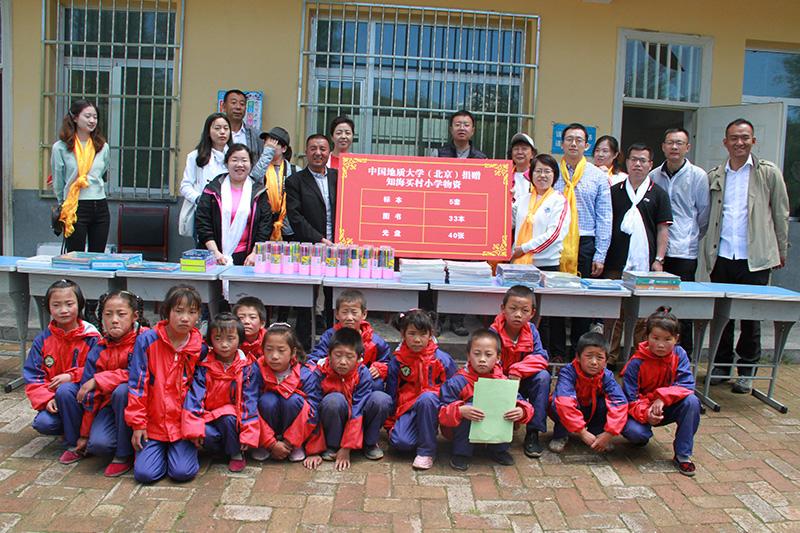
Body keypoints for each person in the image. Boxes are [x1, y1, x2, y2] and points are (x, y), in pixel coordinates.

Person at [703, 118, 790, 394]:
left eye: (745, 137)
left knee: (751, 316)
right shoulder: (716, 174)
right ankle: (720, 366)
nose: (739, 142)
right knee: (722, 315)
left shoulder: (768, 173)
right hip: (723, 255)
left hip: (754, 258)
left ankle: (747, 371)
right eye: (734, 138)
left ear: (753, 141)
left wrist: (781, 249)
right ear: (725, 142)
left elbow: (781, 213)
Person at [126, 284, 208, 483]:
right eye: (178, 311)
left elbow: (199, 392)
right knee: (145, 475)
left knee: (183, 473)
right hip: (152, 424)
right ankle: (156, 453)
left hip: (182, 426)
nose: (185, 318)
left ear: (199, 317)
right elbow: (137, 385)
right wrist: (138, 424)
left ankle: (174, 453)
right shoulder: (147, 341)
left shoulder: (200, 349)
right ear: (166, 312)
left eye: (192, 312)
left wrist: (194, 426)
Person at [606, 143, 672, 366]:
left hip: (645, 265)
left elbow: (663, 229)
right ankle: (611, 357)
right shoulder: (615, 191)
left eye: (643, 160)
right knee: (614, 313)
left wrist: (659, 260)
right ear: (627, 162)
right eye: (634, 159)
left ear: (650, 165)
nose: (638, 164)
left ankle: (638, 358)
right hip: (616, 262)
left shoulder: (659, 194)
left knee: (643, 316)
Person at [550, 123, 611, 361]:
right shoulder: (552, 171)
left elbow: (605, 217)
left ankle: (579, 352)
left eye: (579, 140)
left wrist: (600, 254)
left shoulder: (597, 176)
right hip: (556, 243)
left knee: (581, 300)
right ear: (561, 144)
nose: (573, 144)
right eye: (569, 139)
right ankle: (555, 352)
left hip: (585, 243)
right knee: (555, 299)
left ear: (587, 146)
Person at [649, 127, 711, 358]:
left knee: (683, 306)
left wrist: (691, 236)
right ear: (664, 147)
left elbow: (703, 214)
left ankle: (685, 356)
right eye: (670, 143)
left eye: (679, 143)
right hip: (659, 253)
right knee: (658, 306)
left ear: (688, 147)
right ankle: (658, 355)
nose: (674, 147)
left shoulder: (698, 176)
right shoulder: (654, 175)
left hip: (685, 251)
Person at [23, 280, 100, 464]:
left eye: (69, 304)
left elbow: (100, 369)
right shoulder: (43, 340)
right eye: (56, 305)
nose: (63, 310)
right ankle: (71, 431)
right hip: (58, 401)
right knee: (44, 423)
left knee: (65, 390)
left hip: (89, 401)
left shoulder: (92, 337)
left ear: (80, 304)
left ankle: (76, 442)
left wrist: (71, 376)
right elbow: (33, 375)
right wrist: (47, 398)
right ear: (48, 307)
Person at [74, 290, 149, 477]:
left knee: (123, 391)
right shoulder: (99, 347)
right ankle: (121, 441)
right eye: (108, 314)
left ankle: (123, 455)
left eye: (121, 314)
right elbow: (90, 396)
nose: (114, 320)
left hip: (144, 404)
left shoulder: (146, 339)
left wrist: (99, 379)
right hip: (110, 406)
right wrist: (84, 434)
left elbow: (138, 374)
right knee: (98, 445)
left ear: (135, 316)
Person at [621, 307, 701, 476]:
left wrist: (662, 399)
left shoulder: (680, 355)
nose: (661, 344)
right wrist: (646, 413)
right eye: (655, 338)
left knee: (692, 402)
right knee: (635, 433)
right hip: (642, 409)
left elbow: (686, 385)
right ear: (646, 337)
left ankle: (682, 454)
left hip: (667, 406)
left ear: (676, 339)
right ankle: (643, 436)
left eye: (667, 339)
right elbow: (629, 398)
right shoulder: (636, 362)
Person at [439, 329, 533, 471]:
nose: (482, 359)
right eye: (477, 354)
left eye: (488, 355)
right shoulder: (458, 382)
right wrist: (459, 411)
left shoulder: (503, 381)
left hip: (493, 432)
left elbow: (523, 403)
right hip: (462, 432)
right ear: (468, 356)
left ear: (498, 358)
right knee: (470, 407)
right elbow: (441, 412)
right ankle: (461, 453)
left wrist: (521, 411)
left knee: (505, 406)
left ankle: (498, 449)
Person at [304, 328, 392, 470]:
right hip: (332, 420)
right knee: (334, 400)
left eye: (350, 357)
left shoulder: (363, 374)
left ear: (359, 358)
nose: (343, 362)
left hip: (357, 421)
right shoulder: (318, 373)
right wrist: (313, 450)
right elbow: (311, 410)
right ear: (328, 354)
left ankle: (369, 443)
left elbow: (357, 411)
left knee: (381, 399)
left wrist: (347, 448)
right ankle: (332, 445)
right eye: (338, 355)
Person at [182, 313, 261, 472]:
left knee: (228, 418)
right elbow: (195, 398)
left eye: (230, 339)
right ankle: (217, 448)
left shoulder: (247, 367)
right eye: (218, 339)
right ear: (210, 339)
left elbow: (249, 402)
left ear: (240, 339)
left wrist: (248, 434)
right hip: (209, 416)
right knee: (205, 433)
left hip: (234, 419)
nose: (224, 344)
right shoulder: (203, 367)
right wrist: (194, 428)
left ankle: (235, 452)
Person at [433, 110, 486, 335]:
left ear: (473, 130)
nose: (462, 128)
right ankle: (437, 318)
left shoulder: (482, 159)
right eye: (457, 124)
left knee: (461, 270)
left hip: (466, 221)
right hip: (443, 219)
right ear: (451, 129)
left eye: (466, 124)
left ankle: (457, 320)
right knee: (440, 270)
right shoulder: (439, 154)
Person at [385, 309, 457, 470]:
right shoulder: (398, 361)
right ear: (403, 335)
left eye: (422, 334)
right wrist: (390, 423)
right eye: (412, 334)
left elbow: (453, 390)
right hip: (409, 406)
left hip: (435, 406)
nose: (417, 340)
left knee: (427, 398)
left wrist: (452, 418)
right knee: (400, 442)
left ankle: (427, 451)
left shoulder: (442, 359)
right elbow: (392, 391)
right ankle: (423, 432)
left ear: (431, 334)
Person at [286, 134, 337, 348]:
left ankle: (332, 344)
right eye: (313, 148)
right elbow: (295, 217)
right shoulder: (295, 181)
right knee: (307, 298)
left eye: (323, 148)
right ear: (305, 152)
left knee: (333, 296)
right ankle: (303, 347)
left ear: (329, 152)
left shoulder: (339, 176)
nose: (318, 153)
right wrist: (320, 239)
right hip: (309, 247)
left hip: (338, 248)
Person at [488, 285, 550, 458]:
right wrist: (507, 380)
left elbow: (541, 357)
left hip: (522, 380)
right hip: (499, 381)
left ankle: (533, 432)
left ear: (532, 313)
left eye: (524, 311)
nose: (517, 315)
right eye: (513, 309)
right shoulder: (493, 333)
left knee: (543, 377)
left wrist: (518, 370)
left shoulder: (532, 331)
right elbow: (489, 363)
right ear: (503, 308)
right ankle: (499, 430)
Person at [255, 323, 325, 462]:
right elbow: (249, 406)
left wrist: (290, 441)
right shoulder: (257, 370)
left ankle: (294, 445)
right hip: (268, 429)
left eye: (281, 350)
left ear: (293, 352)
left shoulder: (305, 374)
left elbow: (313, 410)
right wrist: (270, 442)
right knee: (267, 400)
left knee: (293, 400)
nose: (274, 356)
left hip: (297, 429)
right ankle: (264, 444)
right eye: (269, 350)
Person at [195, 143, 274, 266]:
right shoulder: (212, 189)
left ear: (250, 164)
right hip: (214, 256)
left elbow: (265, 226)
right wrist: (214, 252)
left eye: (244, 160)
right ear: (226, 163)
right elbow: (203, 222)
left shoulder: (259, 192)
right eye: (234, 160)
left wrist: (255, 253)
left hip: (247, 257)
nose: (239, 164)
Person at [548, 332, 627, 454]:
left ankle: (598, 434)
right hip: (573, 409)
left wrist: (609, 433)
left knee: (607, 403)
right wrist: (582, 432)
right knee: (558, 402)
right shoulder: (567, 373)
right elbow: (564, 404)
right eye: (589, 356)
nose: (594, 362)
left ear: (606, 360)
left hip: (591, 409)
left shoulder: (607, 376)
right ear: (578, 357)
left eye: (600, 357)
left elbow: (620, 403)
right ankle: (561, 434)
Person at [51, 99, 111, 252]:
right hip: (75, 206)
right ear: (75, 118)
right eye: (87, 116)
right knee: (75, 257)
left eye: (95, 117)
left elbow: (101, 172)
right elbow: (58, 179)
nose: (92, 121)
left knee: (97, 256)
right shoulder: (61, 147)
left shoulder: (102, 146)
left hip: (100, 206)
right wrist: (63, 204)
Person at [308, 289, 391, 391]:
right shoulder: (329, 336)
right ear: (337, 314)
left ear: (364, 314)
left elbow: (386, 361)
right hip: (334, 378)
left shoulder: (374, 341)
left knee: (376, 384)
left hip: (361, 381)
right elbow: (315, 359)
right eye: (344, 312)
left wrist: (379, 368)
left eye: (354, 313)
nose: (349, 318)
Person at [511, 153, 571, 269]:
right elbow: (506, 224)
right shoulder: (522, 199)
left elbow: (554, 235)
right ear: (531, 174)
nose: (542, 175)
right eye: (538, 171)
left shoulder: (558, 200)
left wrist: (524, 248)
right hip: (519, 263)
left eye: (547, 171)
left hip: (546, 266)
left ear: (555, 175)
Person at [179, 113, 232, 239]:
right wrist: (200, 199)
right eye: (217, 128)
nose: (222, 132)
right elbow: (185, 185)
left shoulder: (234, 156)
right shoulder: (196, 156)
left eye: (226, 128)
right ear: (208, 132)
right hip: (205, 213)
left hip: (229, 213)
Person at [250, 127, 301, 241]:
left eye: (273, 143)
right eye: (266, 142)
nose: (269, 146)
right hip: (264, 223)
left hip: (287, 226)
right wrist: (267, 154)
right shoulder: (261, 168)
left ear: (284, 148)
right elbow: (254, 178)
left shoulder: (294, 170)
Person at [220, 89, 262, 160]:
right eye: (233, 103)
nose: (238, 107)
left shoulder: (256, 136)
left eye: (242, 104)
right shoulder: (215, 133)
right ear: (224, 107)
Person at [507, 132, 537, 210]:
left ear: (532, 154)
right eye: (516, 148)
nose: (520, 152)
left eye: (524, 148)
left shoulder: (537, 175)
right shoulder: (505, 176)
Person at [233, 297, 268, 361]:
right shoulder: (230, 341)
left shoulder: (269, 340)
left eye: (252, 317)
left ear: (262, 323)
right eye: (241, 317)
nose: (246, 321)